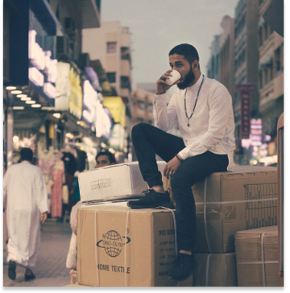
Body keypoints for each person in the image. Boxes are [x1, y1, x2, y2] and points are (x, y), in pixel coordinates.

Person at [127, 43, 236, 282]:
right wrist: (159, 93)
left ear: (194, 65)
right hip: (190, 150)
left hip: (215, 153)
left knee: (180, 179)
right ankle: (156, 190)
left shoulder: (217, 91)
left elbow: (216, 134)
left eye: (179, 65)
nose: (174, 70)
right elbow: (164, 126)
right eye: (171, 65)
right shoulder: (179, 93)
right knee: (141, 131)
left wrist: (180, 156)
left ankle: (186, 255)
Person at [66, 151, 116, 277]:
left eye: (104, 162)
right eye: (98, 163)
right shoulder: (91, 180)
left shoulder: (117, 180)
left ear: (112, 164)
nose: (100, 165)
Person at [3, 148, 48, 281]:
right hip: (30, 209)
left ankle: (12, 257)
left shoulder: (11, 170)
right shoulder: (35, 170)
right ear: (32, 158)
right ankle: (28, 271)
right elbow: (40, 190)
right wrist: (44, 209)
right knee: (32, 236)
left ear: (20, 157)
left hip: (13, 208)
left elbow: (3, 188)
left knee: (14, 234)